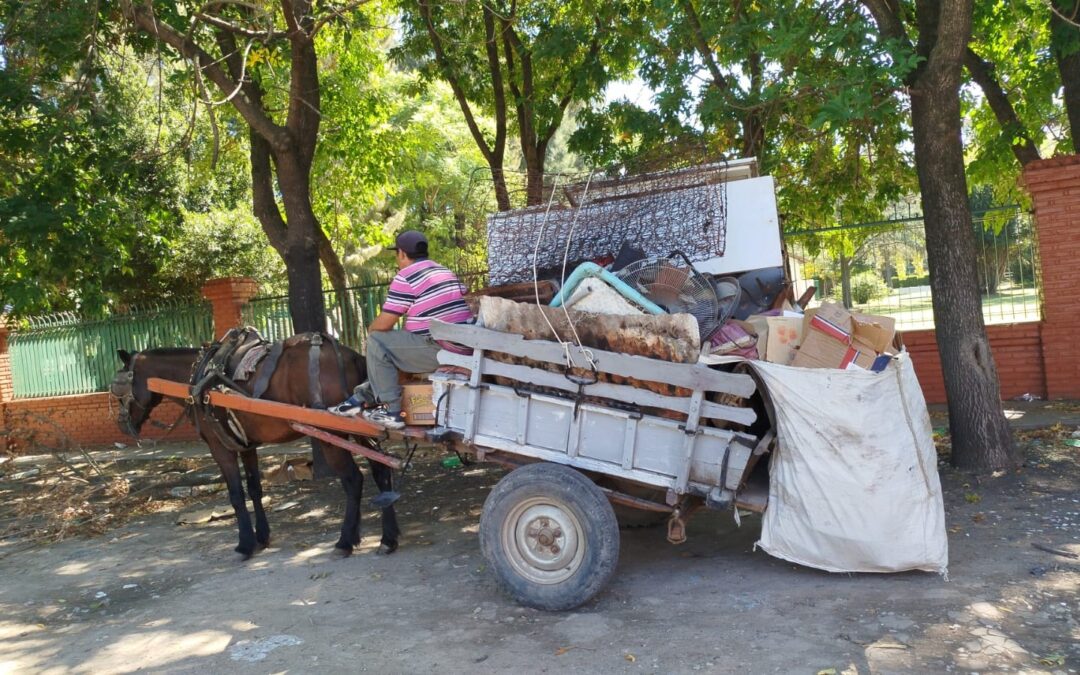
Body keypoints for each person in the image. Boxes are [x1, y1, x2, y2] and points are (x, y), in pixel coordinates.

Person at [330, 230, 473, 428]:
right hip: (461, 345)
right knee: (391, 350)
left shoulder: (406, 277)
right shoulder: (444, 271)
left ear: (403, 254)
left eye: (397, 254)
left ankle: (392, 412)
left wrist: (372, 330)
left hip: (441, 349)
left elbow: (385, 323)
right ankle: (358, 400)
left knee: (377, 341)